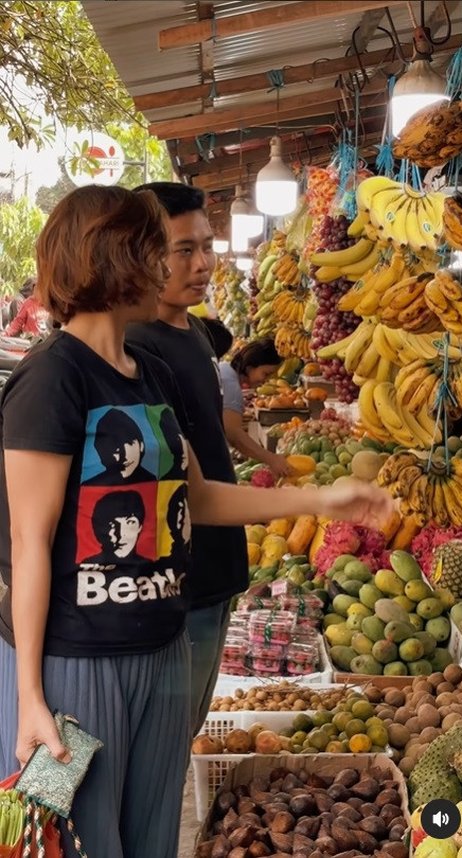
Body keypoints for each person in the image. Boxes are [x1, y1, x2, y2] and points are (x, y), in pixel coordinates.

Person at [0, 184, 393, 858]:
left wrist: (319, 500)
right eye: (157, 248)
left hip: (162, 646)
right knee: (81, 841)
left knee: (153, 837)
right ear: (115, 256)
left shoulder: (145, 370)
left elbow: (199, 498)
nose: (171, 264)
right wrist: (30, 696)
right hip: (80, 663)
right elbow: (28, 545)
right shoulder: (52, 380)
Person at [126, 182, 245, 736]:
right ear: (143, 251)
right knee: (169, 743)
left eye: (207, 245)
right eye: (183, 250)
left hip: (218, 570)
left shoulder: (195, 331)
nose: (203, 264)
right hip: (178, 584)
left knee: (188, 729)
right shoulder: (136, 348)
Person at [220, 338, 294, 478]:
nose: (265, 380)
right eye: (265, 374)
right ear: (249, 368)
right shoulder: (231, 385)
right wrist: (271, 458)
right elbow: (233, 434)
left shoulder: (225, 368)